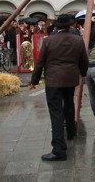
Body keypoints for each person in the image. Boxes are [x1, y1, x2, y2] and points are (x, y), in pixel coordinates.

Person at [30, 14, 88, 161]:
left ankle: (59, 149)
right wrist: (82, 72)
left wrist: (34, 81)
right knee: (69, 105)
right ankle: (71, 131)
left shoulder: (49, 41)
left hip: (53, 80)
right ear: (70, 26)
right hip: (70, 79)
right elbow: (84, 61)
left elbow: (40, 63)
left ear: (57, 26)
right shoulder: (78, 40)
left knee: (56, 113)